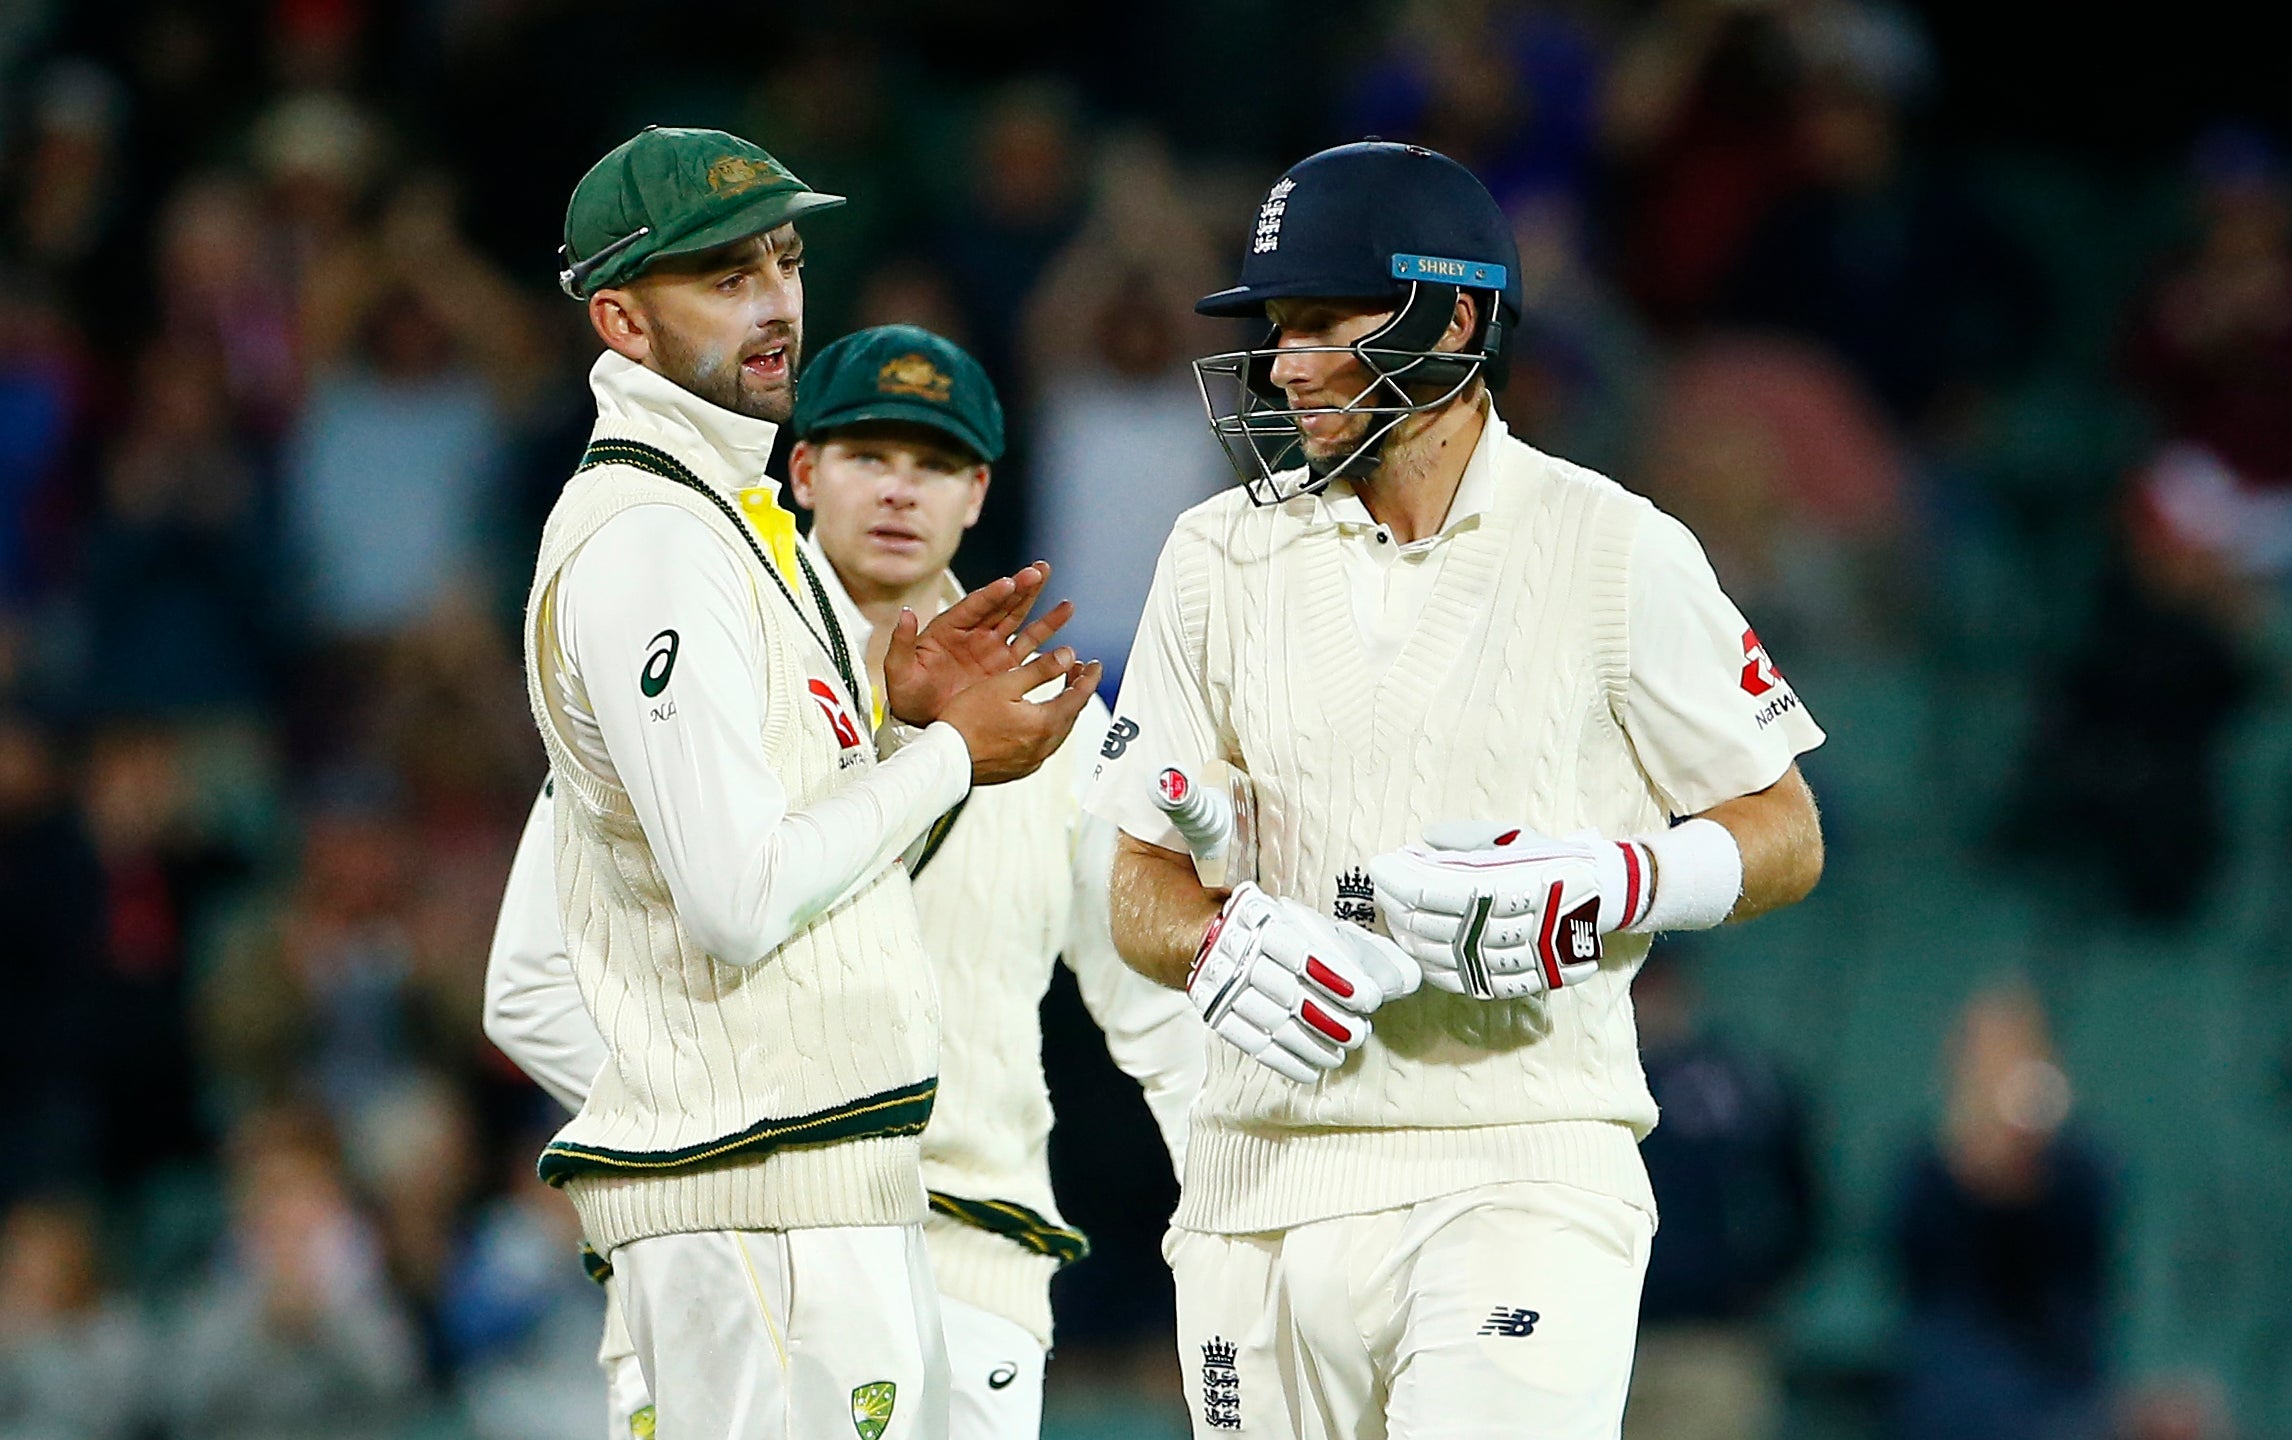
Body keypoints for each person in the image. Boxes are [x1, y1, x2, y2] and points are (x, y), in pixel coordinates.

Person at [1090, 140, 1829, 1439]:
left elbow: (1785, 830)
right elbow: (1140, 876)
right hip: (1256, 1178)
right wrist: (1209, 945)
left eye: (1325, 322)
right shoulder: (1215, 555)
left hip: (1521, 1157)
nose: (1283, 363)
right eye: (1276, 328)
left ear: (1461, 316)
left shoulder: (1614, 545)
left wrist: (1614, 880)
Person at [487, 322, 1203, 1440]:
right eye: (869, 453)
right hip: (740, 1238)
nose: (898, 490)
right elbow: (529, 984)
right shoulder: (698, 661)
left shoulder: (1058, 723)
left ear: (978, 493)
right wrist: (721, 1142)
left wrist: (1234, 1201)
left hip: (970, 1246)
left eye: (932, 464)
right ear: (804, 469)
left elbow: (1149, 997)